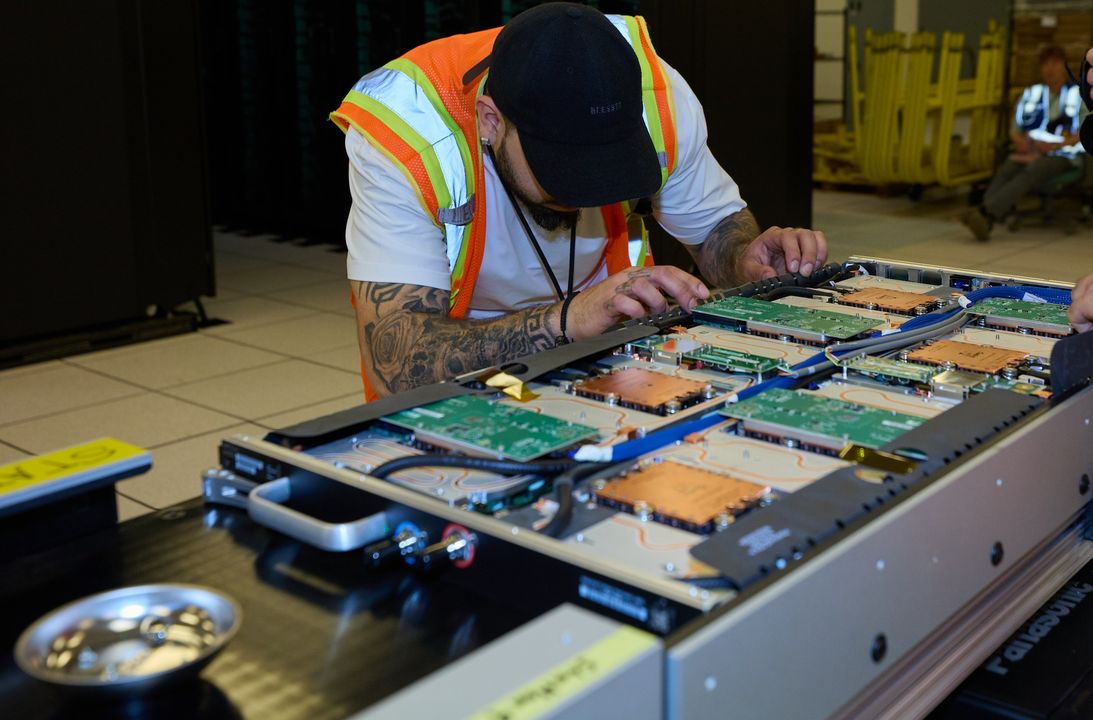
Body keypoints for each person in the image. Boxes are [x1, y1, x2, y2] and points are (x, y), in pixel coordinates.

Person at [332, 3, 827, 400]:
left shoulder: (656, 94)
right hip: (466, 351)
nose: (588, 191)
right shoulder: (406, 135)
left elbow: (715, 230)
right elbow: (397, 362)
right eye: (563, 170)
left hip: (610, 333)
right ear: (490, 121)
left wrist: (745, 259)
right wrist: (567, 320)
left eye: (609, 165)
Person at [961, 46, 1085, 241]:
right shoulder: (1032, 94)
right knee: (1010, 166)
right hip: (1031, 151)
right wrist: (1022, 142)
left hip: (1064, 156)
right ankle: (984, 214)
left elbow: (1083, 134)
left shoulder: (1078, 95)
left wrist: (1053, 146)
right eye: (1045, 64)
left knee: (1035, 168)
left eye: (1054, 63)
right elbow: (1014, 129)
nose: (1049, 69)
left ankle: (987, 213)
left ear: (1064, 66)